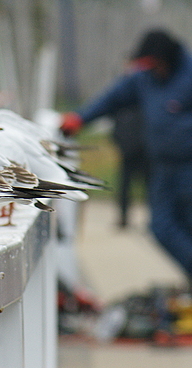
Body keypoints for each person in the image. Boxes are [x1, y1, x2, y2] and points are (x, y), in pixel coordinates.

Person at [60, 29, 192, 279]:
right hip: (162, 168)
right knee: (161, 228)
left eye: (156, 65)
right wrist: (79, 118)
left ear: (168, 59)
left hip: (189, 166)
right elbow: (112, 98)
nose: (152, 71)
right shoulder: (144, 78)